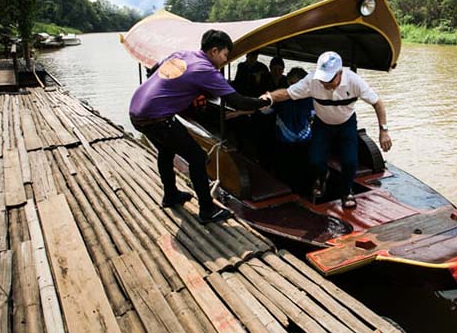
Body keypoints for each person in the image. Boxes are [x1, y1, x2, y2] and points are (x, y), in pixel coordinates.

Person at [129, 29, 271, 224]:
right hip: (157, 118)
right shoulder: (206, 70)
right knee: (198, 157)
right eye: (224, 55)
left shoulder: (182, 54)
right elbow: (238, 102)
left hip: (136, 110)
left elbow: (153, 70)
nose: (224, 60)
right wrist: (265, 101)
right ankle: (207, 209)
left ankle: (170, 195)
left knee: (166, 150)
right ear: (214, 51)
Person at [263, 51, 392, 208]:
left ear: (340, 73)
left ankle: (346, 191)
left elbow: (378, 103)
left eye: (330, 80)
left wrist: (383, 131)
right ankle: (323, 176)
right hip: (322, 123)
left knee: (350, 162)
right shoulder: (312, 80)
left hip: (346, 122)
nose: (326, 84)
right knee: (315, 160)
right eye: (323, 79)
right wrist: (269, 97)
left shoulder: (354, 81)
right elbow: (287, 93)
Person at [273, 67, 313, 194]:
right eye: (291, 84)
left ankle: (301, 192)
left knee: (302, 169)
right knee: (288, 170)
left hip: (302, 140)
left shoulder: (310, 98)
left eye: (296, 84)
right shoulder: (282, 97)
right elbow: (265, 108)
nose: (293, 88)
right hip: (287, 141)